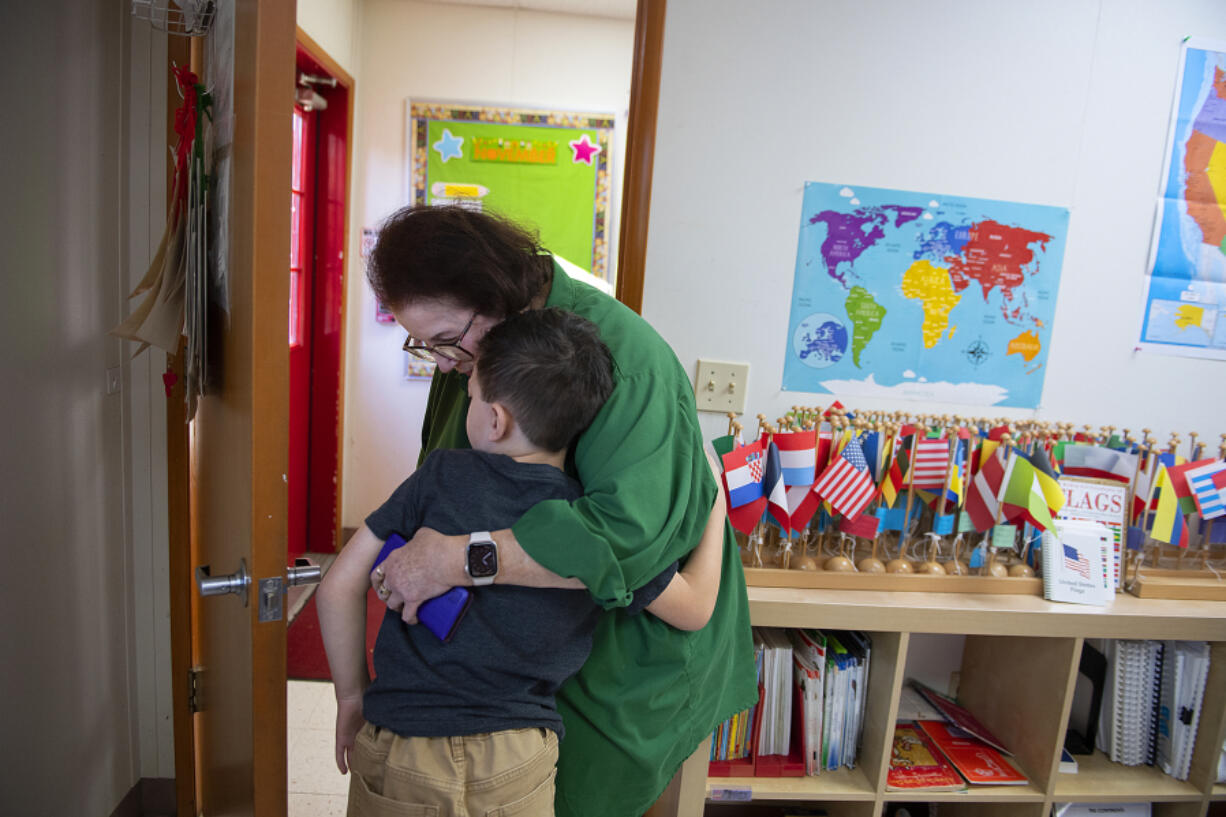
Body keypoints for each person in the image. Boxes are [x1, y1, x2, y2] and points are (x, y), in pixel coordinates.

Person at [366, 205, 758, 817]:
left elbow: (625, 549)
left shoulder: (620, 362)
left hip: (616, 670)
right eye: (425, 344)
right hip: (504, 676)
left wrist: (454, 559)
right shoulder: (480, 352)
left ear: (495, 291)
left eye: (446, 340)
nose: (442, 362)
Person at [317, 308, 730, 815]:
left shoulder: (439, 477)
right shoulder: (588, 527)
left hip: (403, 740)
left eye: (470, 397)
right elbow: (695, 608)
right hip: (516, 756)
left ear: (495, 420)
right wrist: (715, 508)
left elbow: (337, 586)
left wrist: (351, 699)